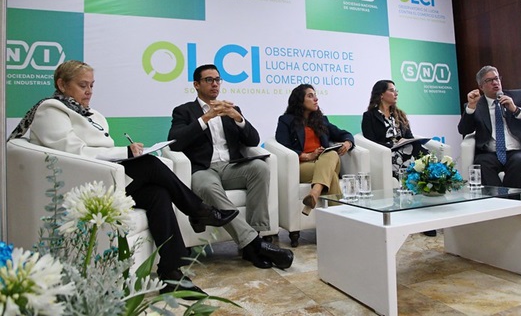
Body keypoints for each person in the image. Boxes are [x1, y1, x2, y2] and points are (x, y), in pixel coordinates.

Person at [9, 60, 239, 297]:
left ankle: (172, 272)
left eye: (91, 85)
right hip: (79, 183)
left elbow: (100, 149)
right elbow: (73, 152)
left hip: (105, 176)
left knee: (158, 194)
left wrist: (128, 151)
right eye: (82, 85)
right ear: (62, 84)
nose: (89, 91)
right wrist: (125, 152)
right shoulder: (51, 110)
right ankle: (198, 210)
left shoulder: (92, 114)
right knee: (150, 165)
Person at [168, 64, 293, 270]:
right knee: (206, 187)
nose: (215, 84)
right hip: (203, 169)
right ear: (196, 84)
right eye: (209, 80)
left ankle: (256, 234)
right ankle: (254, 246)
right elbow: (175, 142)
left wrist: (238, 118)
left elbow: (253, 140)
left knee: (260, 168)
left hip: (231, 167)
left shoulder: (231, 110)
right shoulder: (184, 111)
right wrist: (206, 118)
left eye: (217, 79)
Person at [275, 84, 354, 220]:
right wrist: (307, 156)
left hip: (325, 161)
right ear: (300, 100)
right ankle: (341, 221)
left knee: (331, 154)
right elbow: (283, 145)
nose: (316, 99)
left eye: (315, 96)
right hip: (303, 165)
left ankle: (314, 193)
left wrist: (348, 143)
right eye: (310, 96)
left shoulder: (321, 120)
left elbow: (344, 134)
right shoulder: (286, 120)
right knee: (331, 176)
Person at [457, 65, 521, 189]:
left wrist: (515, 110)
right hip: (490, 153)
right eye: (489, 80)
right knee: (481, 164)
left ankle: (504, 200)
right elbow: (464, 130)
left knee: (520, 162)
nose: (495, 83)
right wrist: (470, 108)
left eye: (497, 78)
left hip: (518, 151)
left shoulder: (518, 96)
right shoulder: (476, 104)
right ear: (481, 86)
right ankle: (503, 199)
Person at [361, 80, 429, 181]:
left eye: (396, 91)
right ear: (381, 94)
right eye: (392, 90)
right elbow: (370, 142)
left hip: (405, 149)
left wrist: (404, 141)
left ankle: (429, 180)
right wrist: (393, 145)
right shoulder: (369, 116)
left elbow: (409, 136)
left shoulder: (400, 114)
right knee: (400, 155)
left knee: (421, 149)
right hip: (387, 152)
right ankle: (407, 182)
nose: (396, 94)